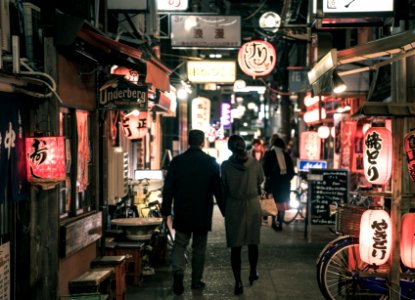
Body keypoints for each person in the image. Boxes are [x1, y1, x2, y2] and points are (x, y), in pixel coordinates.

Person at [161, 129, 224, 296]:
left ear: (188, 141)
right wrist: (225, 210)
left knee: (180, 244)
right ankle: (196, 281)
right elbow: (217, 189)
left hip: (182, 209)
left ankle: (178, 273)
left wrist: (165, 209)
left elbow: (168, 188)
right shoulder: (210, 162)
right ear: (202, 142)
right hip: (202, 211)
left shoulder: (177, 162)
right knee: (199, 247)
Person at [220, 135, 264, 295]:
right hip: (252, 205)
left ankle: (238, 281)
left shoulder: (225, 166)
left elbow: (223, 187)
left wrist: (224, 207)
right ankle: (253, 271)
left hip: (234, 205)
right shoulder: (254, 162)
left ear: (230, 148)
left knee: (235, 246)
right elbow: (261, 179)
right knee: (253, 242)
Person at [262, 136, 295, 231]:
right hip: (284, 183)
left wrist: (269, 176)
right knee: (282, 203)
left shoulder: (269, 154)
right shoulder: (286, 155)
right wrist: (286, 178)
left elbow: (264, 169)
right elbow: (291, 172)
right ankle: (280, 222)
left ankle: (273, 222)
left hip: (273, 182)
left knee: (274, 203)